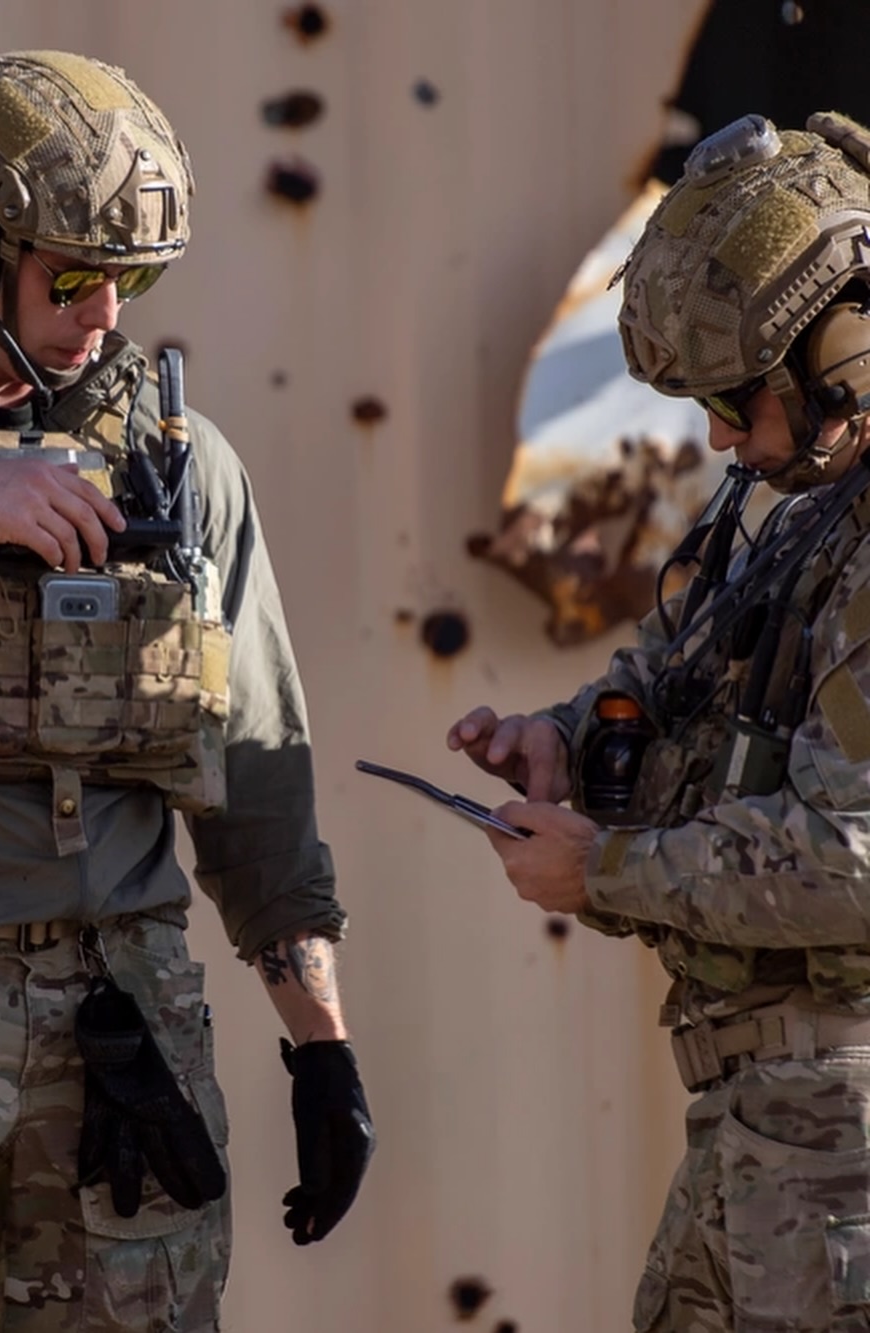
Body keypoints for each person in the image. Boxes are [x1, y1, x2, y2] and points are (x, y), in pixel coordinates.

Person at [0, 49, 373, 1332]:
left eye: (130, 281)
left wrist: (321, 1048)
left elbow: (258, 777)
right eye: (74, 277)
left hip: (120, 1019)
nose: (105, 318)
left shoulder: (175, 461)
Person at [449, 109, 870, 1332]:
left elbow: (850, 859)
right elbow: (706, 671)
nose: (718, 438)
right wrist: (570, 740)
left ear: (836, 354)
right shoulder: (809, 508)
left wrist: (609, 871)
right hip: (770, 1126)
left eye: (737, 403)